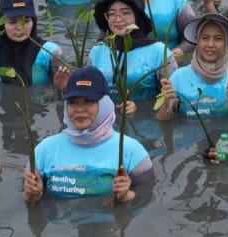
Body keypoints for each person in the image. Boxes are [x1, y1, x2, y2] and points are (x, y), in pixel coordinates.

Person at [23, 68, 153, 204]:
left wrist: (126, 196)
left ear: (104, 103)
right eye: (73, 102)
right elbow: (28, 199)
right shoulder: (44, 151)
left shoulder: (133, 152)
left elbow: (148, 200)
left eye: (88, 101)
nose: (79, 109)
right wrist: (33, 194)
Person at [157, 15, 228, 120]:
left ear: (227, 43)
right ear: (197, 41)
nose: (210, 44)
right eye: (205, 38)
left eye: (218, 39)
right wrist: (167, 104)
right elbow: (163, 121)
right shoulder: (177, 78)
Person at [90, 0, 179, 102]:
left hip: (147, 117)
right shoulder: (97, 51)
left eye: (125, 13)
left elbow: (175, 102)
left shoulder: (159, 51)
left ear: (137, 16)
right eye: (111, 14)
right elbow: (88, 95)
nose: (118, 19)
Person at [0, 0, 66, 85]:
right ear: (2, 24)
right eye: (12, 22)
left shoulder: (51, 53)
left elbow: (66, 97)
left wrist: (62, 89)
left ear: (34, 22)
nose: (19, 27)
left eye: (26, 21)